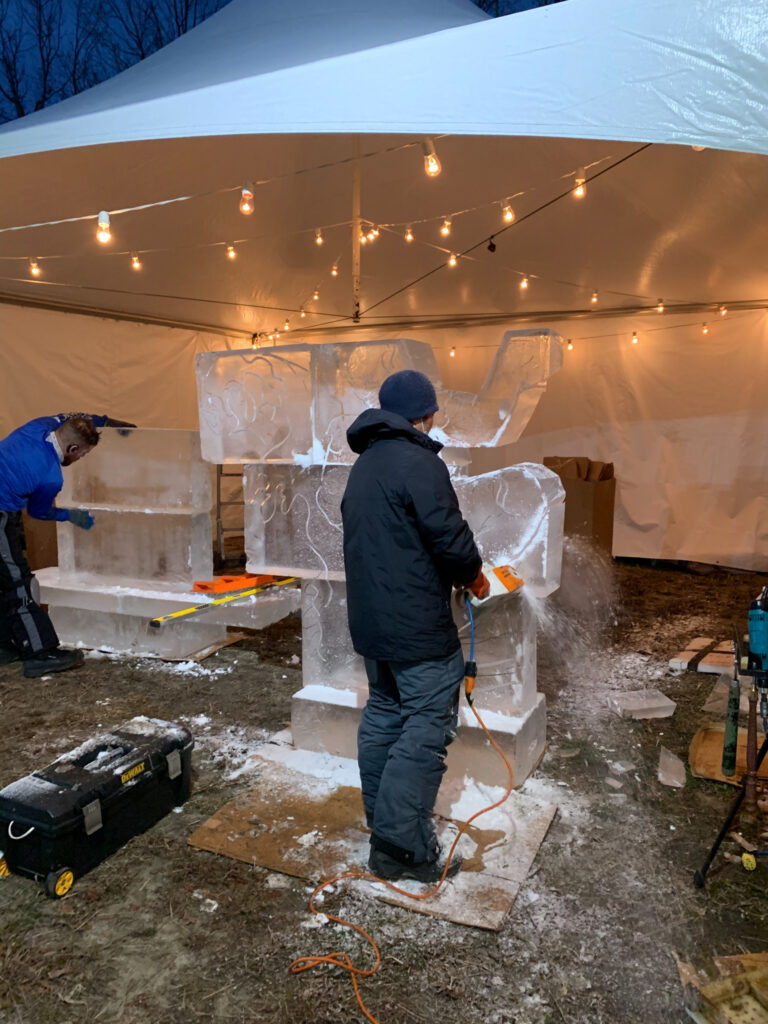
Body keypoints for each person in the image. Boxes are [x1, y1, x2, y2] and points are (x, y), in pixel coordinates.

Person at [341, 369, 490, 883]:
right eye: (432, 414)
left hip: (373, 627)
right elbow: (447, 534)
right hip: (417, 630)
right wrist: (474, 575)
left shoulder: (364, 466)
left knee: (385, 715)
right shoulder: (419, 463)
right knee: (424, 731)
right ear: (422, 414)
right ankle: (403, 850)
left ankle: (384, 826)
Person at [0, 411, 133, 678]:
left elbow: (72, 415)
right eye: (82, 454)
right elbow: (39, 512)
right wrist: (71, 515)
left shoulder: (38, 424)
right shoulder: (50, 475)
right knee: (18, 583)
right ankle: (41, 653)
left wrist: (104, 421)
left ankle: (5, 645)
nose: (81, 458)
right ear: (72, 448)